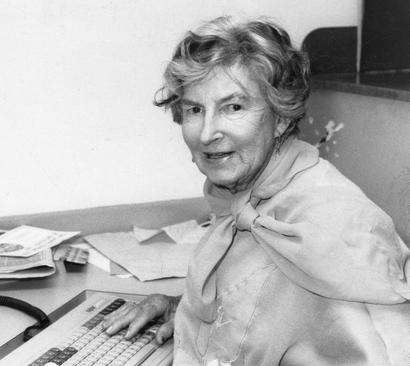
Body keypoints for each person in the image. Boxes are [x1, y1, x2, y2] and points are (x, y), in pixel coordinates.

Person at [103, 16, 410, 365]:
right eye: (194, 110)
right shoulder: (247, 197)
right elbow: (273, 306)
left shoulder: (336, 224)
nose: (206, 134)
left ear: (280, 116)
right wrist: (181, 307)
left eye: (233, 107)